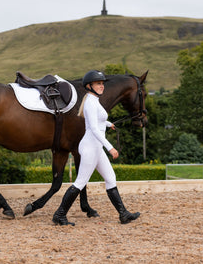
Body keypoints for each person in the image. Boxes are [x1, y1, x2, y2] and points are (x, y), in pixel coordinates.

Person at [52, 70, 140, 226]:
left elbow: (96, 121)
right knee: (80, 183)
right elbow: (92, 127)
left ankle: (123, 214)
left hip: (96, 147)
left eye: (102, 83)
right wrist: (110, 147)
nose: (102, 86)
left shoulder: (93, 101)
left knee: (110, 178)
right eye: (98, 83)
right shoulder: (91, 103)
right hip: (91, 147)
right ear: (89, 86)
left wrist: (107, 124)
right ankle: (59, 215)